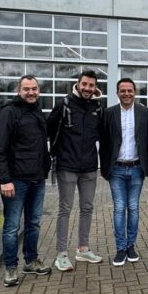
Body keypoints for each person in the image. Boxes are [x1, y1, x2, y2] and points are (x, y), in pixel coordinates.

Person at [0, 75, 52, 287]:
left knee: (33, 223)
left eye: (34, 88)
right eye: (26, 89)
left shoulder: (37, 112)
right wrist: (4, 180)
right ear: (19, 91)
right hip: (15, 181)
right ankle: (10, 267)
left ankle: (31, 261)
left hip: (37, 179)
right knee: (11, 226)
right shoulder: (9, 112)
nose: (31, 92)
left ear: (38, 91)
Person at [47, 69, 105, 272]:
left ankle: (83, 249)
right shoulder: (64, 104)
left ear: (95, 87)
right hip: (67, 166)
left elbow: (102, 136)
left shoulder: (98, 107)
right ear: (78, 84)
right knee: (65, 209)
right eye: (84, 84)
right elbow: (49, 130)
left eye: (91, 85)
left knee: (87, 208)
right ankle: (61, 254)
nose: (87, 88)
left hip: (89, 167)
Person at [99, 77, 148, 267]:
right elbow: (103, 142)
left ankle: (131, 246)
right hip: (117, 169)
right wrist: (105, 168)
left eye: (130, 90)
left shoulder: (145, 113)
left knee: (133, 207)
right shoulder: (109, 113)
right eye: (123, 90)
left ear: (134, 92)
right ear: (117, 93)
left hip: (137, 168)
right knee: (120, 208)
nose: (127, 94)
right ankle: (121, 248)